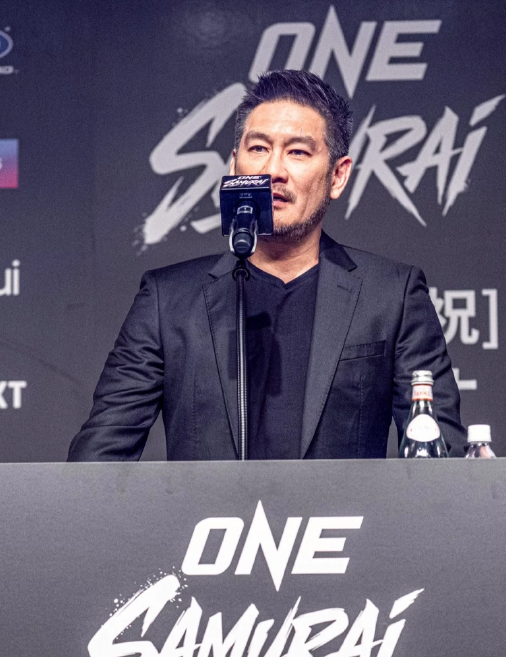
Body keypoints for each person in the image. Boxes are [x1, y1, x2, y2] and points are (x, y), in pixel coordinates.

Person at [69, 70, 466, 461]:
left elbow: (443, 464)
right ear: (234, 165)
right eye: (258, 148)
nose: (273, 170)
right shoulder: (167, 301)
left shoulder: (391, 295)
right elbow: (97, 462)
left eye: (298, 152)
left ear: (338, 176)